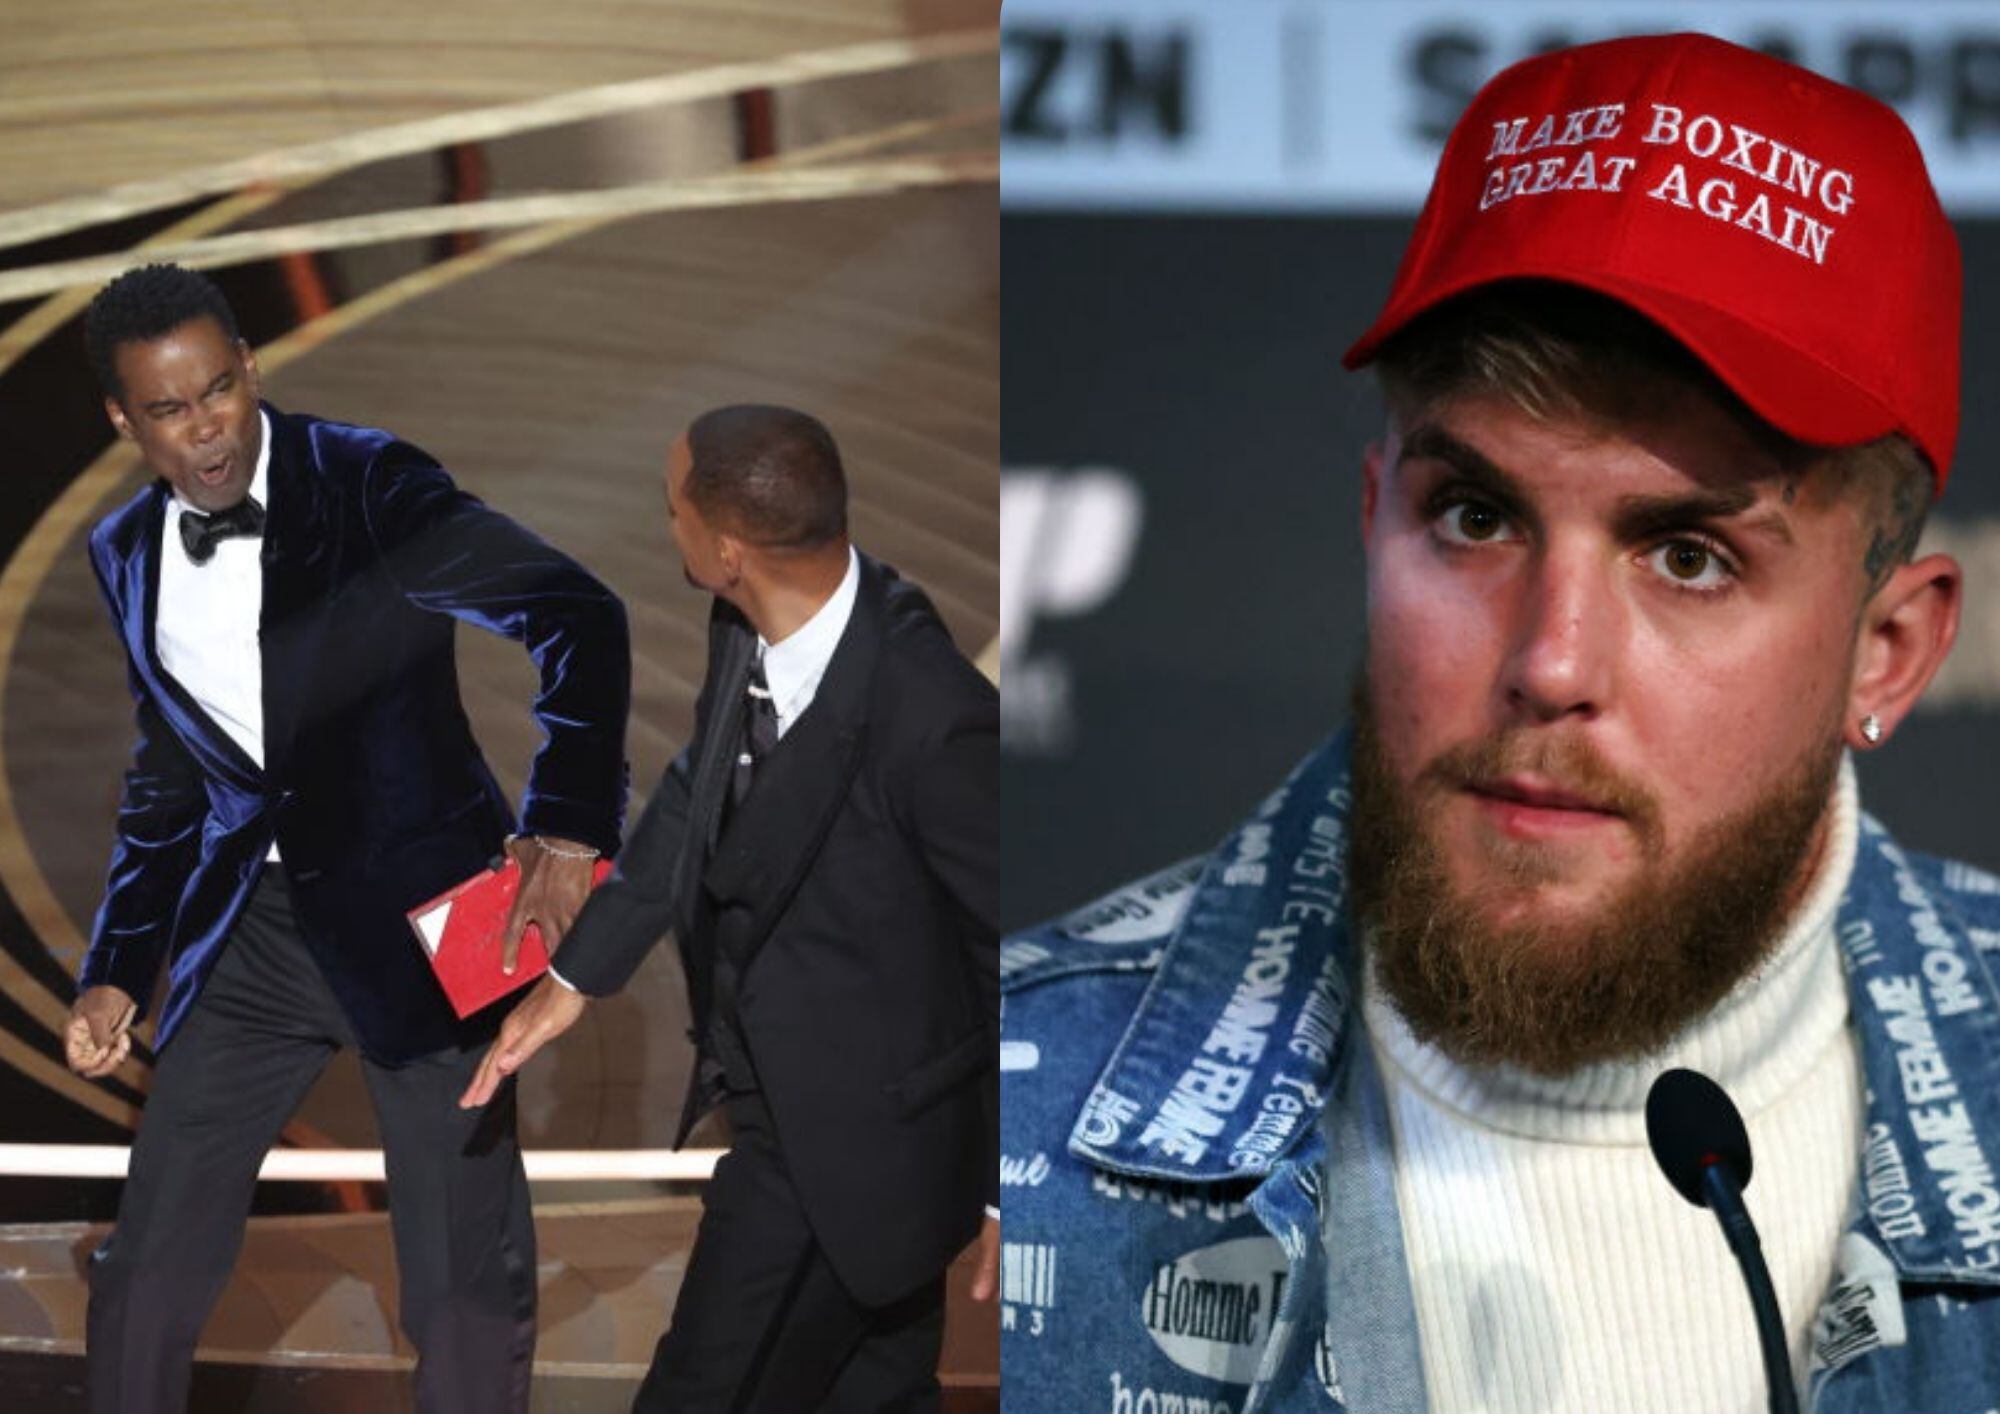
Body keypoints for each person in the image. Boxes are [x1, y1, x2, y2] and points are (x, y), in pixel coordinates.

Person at [1000, 32, 2000, 1414]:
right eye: (1473, 517)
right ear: (1372, 523)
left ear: (1886, 653)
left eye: (1690, 555)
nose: (1549, 660)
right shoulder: (1001, 1107)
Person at [63, 262, 631, 1414]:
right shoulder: (125, 548)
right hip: (254, 943)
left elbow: (576, 614)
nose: (206, 428)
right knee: (151, 1260)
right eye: (169, 409)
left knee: (459, 1284)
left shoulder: (369, 482)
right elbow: (173, 774)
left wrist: (567, 826)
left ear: (250, 368)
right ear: (122, 420)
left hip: (427, 931)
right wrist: (121, 966)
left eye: (218, 389)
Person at [461, 404, 998, 1411]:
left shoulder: (932, 719)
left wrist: (1013, 1179)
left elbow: (1008, 945)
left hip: (845, 1157)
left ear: (724, 550)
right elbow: (693, 796)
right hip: (814, 1122)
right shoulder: (744, 625)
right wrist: (578, 974)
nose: (663, 526)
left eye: (670, 510)